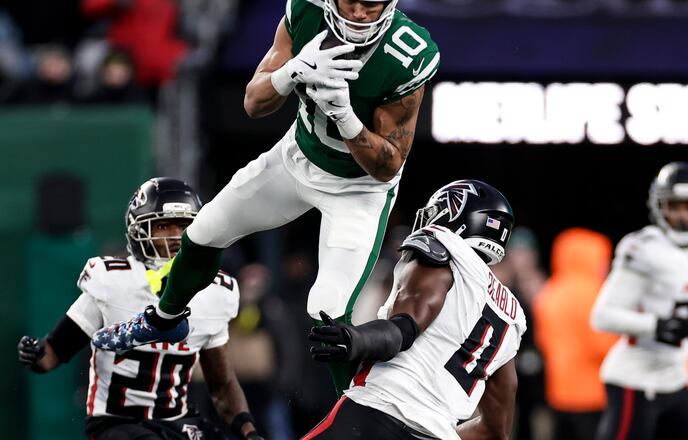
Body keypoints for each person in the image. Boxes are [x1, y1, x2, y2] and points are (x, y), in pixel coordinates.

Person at [92, 0, 440, 397]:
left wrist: (344, 114)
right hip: (295, 158)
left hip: (357, 189)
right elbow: (253, 103)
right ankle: (165, 316)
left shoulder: (408, 53)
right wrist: (291, 73)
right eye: (352, 2)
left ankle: (358, 415)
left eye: (372, 4)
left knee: (327, 313)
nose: (361, 14)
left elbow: (387, 166)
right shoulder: (306, 11)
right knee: (203, 232)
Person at [17, 177, 263, 440]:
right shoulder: (112, 281)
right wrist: (36, 353)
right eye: (163, 226)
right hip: (115, 423)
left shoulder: (214, 293)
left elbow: (222, 386)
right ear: (139, 231)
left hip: (174, 421)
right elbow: (53, 352)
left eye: (183, 226)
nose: (175, 236)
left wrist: (249, 432)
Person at [303, 179, 527, 439]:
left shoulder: (444, 249)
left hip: (377, 411)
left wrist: (356, 340)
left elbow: (404, 329)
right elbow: (496, 430)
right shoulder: (512, 315)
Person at [590, 162, 688, 440]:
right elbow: (602, 317)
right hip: (635, 378)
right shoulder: (644, 249)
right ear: (658, 206)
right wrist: (656, 326)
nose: (682, 215)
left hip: (674, 375)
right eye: (674, 206)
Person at [533, 228, 617, 440]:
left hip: (558, 392)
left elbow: (542, 341)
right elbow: (601, 346)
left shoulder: (550, 291)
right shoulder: (593, 294)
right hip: (592, 394)